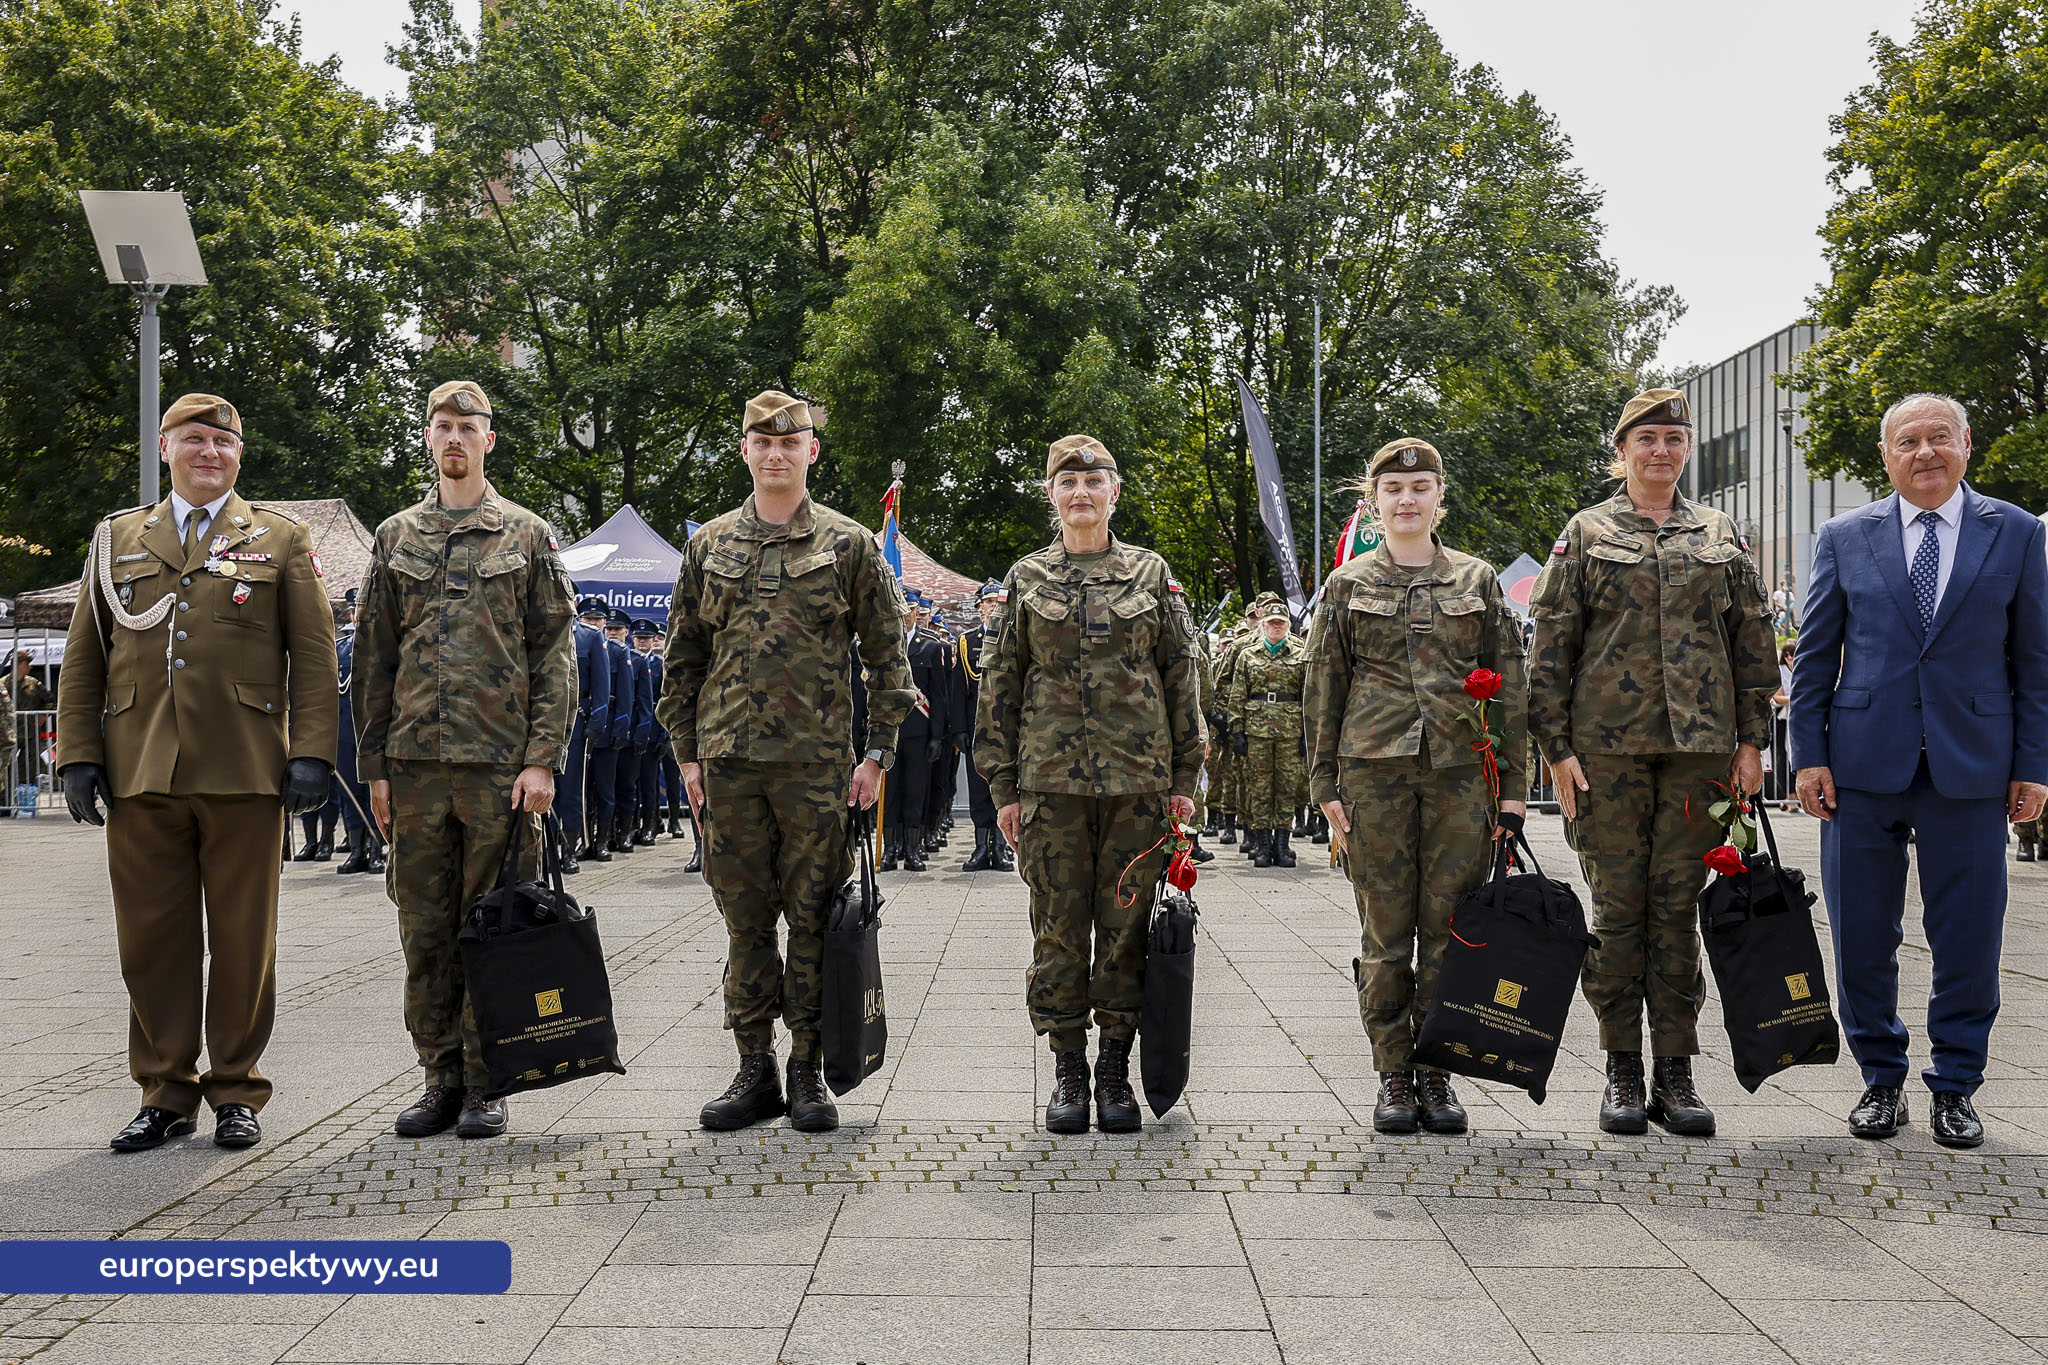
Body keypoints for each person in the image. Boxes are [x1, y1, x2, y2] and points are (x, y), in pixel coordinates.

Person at [56, 392, 338, 1151]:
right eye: (193, 439)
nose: (208, 450)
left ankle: (236, 1088)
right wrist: (77, 753)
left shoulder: (279, 537)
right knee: (150, 941)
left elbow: (313, 654)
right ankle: (166, 1090)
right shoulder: (116, 538)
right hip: (141, 765)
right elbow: (86, 654)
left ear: (238, 455)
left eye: (223, 440)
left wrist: (312, 750)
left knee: (246, 939)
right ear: (163, 447)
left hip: (245, 768)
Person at [1792, 392, 2048, 1148]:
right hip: (1862, 765)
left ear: (1967, 444)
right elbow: (1815, 656)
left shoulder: (2018, 531)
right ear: (1886, 455)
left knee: (1969, 938)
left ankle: (1956, 1085)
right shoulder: (1844, 534)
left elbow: (2036, 661)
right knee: (1862, 934)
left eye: (1941, 436)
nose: (1926, 451)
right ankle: (1881, 1079)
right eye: (1909, 440)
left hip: (1973, 768)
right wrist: (1808, 753)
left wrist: (2034, 762)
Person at [659, 390, 913, 1133]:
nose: (775, 452)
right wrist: (686, 756)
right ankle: (753, 1067)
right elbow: (682, 660)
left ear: (811, 451)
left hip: (817, 773)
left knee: (809, 920)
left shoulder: (848, 543)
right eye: (761, 442)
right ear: (744, 450)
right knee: (744, 924)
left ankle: (806, 1067)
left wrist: (876, 754)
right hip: (730, 770)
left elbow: (888, 659)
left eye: (789, 441)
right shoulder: (708, 545)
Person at [1528, 388, 1776, 1139]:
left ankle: (1676, 1066)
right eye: (1647, 439)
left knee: (1677, 907)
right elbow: (1550, 644)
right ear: (1623, 451)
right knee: (1615, 908)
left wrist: (1752, 740)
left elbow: (1753, 637)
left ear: (1687, 447)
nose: (1662, 450)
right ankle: (1620, 1065)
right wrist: (1556, 750)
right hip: (1606, 753)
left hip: (1701, 748)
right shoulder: (1587, 531)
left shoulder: (1720, 532)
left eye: (1674, 437)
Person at [353, 379, 576, 1142]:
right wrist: (375, 767)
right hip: (414, 769)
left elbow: (554, 655)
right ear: (428, 436)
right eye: (442, 425)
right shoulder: (394, 537)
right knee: (423, 925)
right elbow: (373, 659)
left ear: (489, 439)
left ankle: (488, 1077)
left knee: (495, 922)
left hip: (499, 770)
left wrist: (542, 758)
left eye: (468, 426)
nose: (454, 437)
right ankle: (438, 1074)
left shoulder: (527, 535)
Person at [975, 434, 1205, 1134]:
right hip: (1050, 790)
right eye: (1067, 481)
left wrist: (1185, 779)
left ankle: (1114, 1068)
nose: (1080, 491)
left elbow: (1179, 677)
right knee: (1059, 932)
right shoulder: (1025, 578)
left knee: (1127, 931)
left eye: (1093, 480)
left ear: (1114, 492)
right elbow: (1000, 687)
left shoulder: (1150, 573)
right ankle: (1069, 1067)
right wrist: (1003, 788)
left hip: (1139, 787)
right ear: (1052, 495)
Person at [1305, 438, 1527, 1134]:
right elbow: (1323, 686)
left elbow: (1511, 685)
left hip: (1463, 777)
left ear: (1439, 497)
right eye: (1393, 488)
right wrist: (1322, 782)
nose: (1407, 499)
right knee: (1385, 930)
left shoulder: (1477, 579)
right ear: (1372, 502)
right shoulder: (1346, 585)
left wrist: (1515, 789)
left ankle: (1437, 1072)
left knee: (1453, 928)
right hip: (1373, 776)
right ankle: (1393, 1072)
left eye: (1420, 486)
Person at [1222, 601, 1310, 868]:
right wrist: (1236, 730)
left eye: (1281, 623)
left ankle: (1282, 845)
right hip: (1257, 730)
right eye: (1271, 622)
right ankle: (1262, 845)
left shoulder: (1300, 654)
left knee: (1286, 787)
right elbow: (1237, 694)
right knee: (1259, 788)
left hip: (1290, 731)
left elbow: (1309, 695)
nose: (1276, 627)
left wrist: (1309, 732)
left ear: (1287, 626)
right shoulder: (1248, 655)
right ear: (1263, 624)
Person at [882, 590, 944, 872]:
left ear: (918, 610)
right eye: (902, 606)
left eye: (912, 607)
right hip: (889, 732)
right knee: (891, 791)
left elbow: (939, 695)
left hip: (919, 731)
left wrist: (936, 736)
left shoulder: (930, 646)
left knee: (915, 791)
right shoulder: (884, 644)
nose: (906, 612)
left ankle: (912, 848)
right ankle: (890, 848)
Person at [959, 581, 1014, 871]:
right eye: (988, 602)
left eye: (997, 602)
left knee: (1004, 788)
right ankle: (981, 847)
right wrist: (958, 729)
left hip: (1005, 730)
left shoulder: (1012, 638)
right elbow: (959, 691)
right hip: (976, 729)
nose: (993, 607)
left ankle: (1001, 848)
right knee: (978, 790)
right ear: (980, 607)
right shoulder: (967, 641)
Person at [555, 592, 612, 875]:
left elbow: (602, 686)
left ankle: (568, 848)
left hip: (576, 721)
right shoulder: (540, 631)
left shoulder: (590, 637)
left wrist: (596, 724)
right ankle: (545, 848)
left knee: (571, 791)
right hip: (543, 721)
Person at [333, 591, 385, 876]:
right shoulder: (339, 648)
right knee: (348, 791)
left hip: (368, 731)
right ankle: (357, 850)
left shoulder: (379, 647)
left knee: (371, 792)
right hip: (343, 731)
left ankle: (376, 849)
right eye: (354, 610)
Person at [573, 598, 619, 862]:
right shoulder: (567, 637)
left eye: (597, 620)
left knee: (604, 790)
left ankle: (601, 839)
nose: (592, 623)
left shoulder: (612, 649)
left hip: (599, 729)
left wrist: (608, 726)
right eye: (587, 619)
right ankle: (577, 839)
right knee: (575, 789)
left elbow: (611, 692)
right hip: (571, 722)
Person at [629, 618, 665, 843]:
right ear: (633, 639)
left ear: (654, 640)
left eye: (647, 639)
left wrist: (663, 735)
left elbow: (663, 701)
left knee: (649, 782)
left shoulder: (660, 665)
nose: (642, 642)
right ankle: (631, 825)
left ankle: (650, 825)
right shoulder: (628, 660)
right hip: (629, 730)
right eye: (639, 638)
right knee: (629, 782)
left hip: (651, 731)